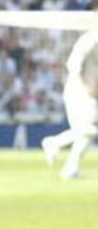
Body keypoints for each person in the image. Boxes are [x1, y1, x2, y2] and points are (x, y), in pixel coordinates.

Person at [41, 20, 98, 179]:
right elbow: (73, 65)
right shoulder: (90, 39)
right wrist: (86, 87)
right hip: (78, 91)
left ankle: (69, 167)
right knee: (89, 129)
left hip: (90, 92)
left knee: (86, 132)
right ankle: (55, 144)